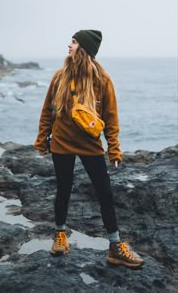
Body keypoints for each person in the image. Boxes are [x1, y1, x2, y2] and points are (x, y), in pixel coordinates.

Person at [34, 29, 144, 268]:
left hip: (90, 145)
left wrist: (114, 148)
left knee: (105, 192)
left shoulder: (102, 80)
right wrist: (42, 139)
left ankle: (115, 246)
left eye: (73, 42)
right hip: (61, 144)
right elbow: (47, 112)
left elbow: (111, 117)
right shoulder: (59, 77)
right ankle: (60, 237)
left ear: (84, 48)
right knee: (63, 189)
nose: (69, 45)